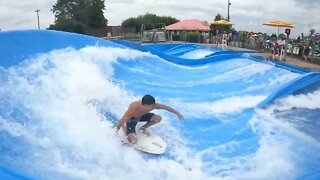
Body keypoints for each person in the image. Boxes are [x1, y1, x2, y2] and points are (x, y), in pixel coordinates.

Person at [115, 95, 184, 144]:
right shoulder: (134, 107)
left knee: (158, 118)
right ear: (145, 105)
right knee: (133, 141)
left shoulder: (153, 105)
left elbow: (166, 107)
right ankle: (124, 127)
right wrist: (115, 132)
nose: (153, 107)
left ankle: (143, 128)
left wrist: (178, 114)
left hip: (142, 116)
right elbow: (124, 118)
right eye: (151, 106)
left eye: (154, 105)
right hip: (131, 120)